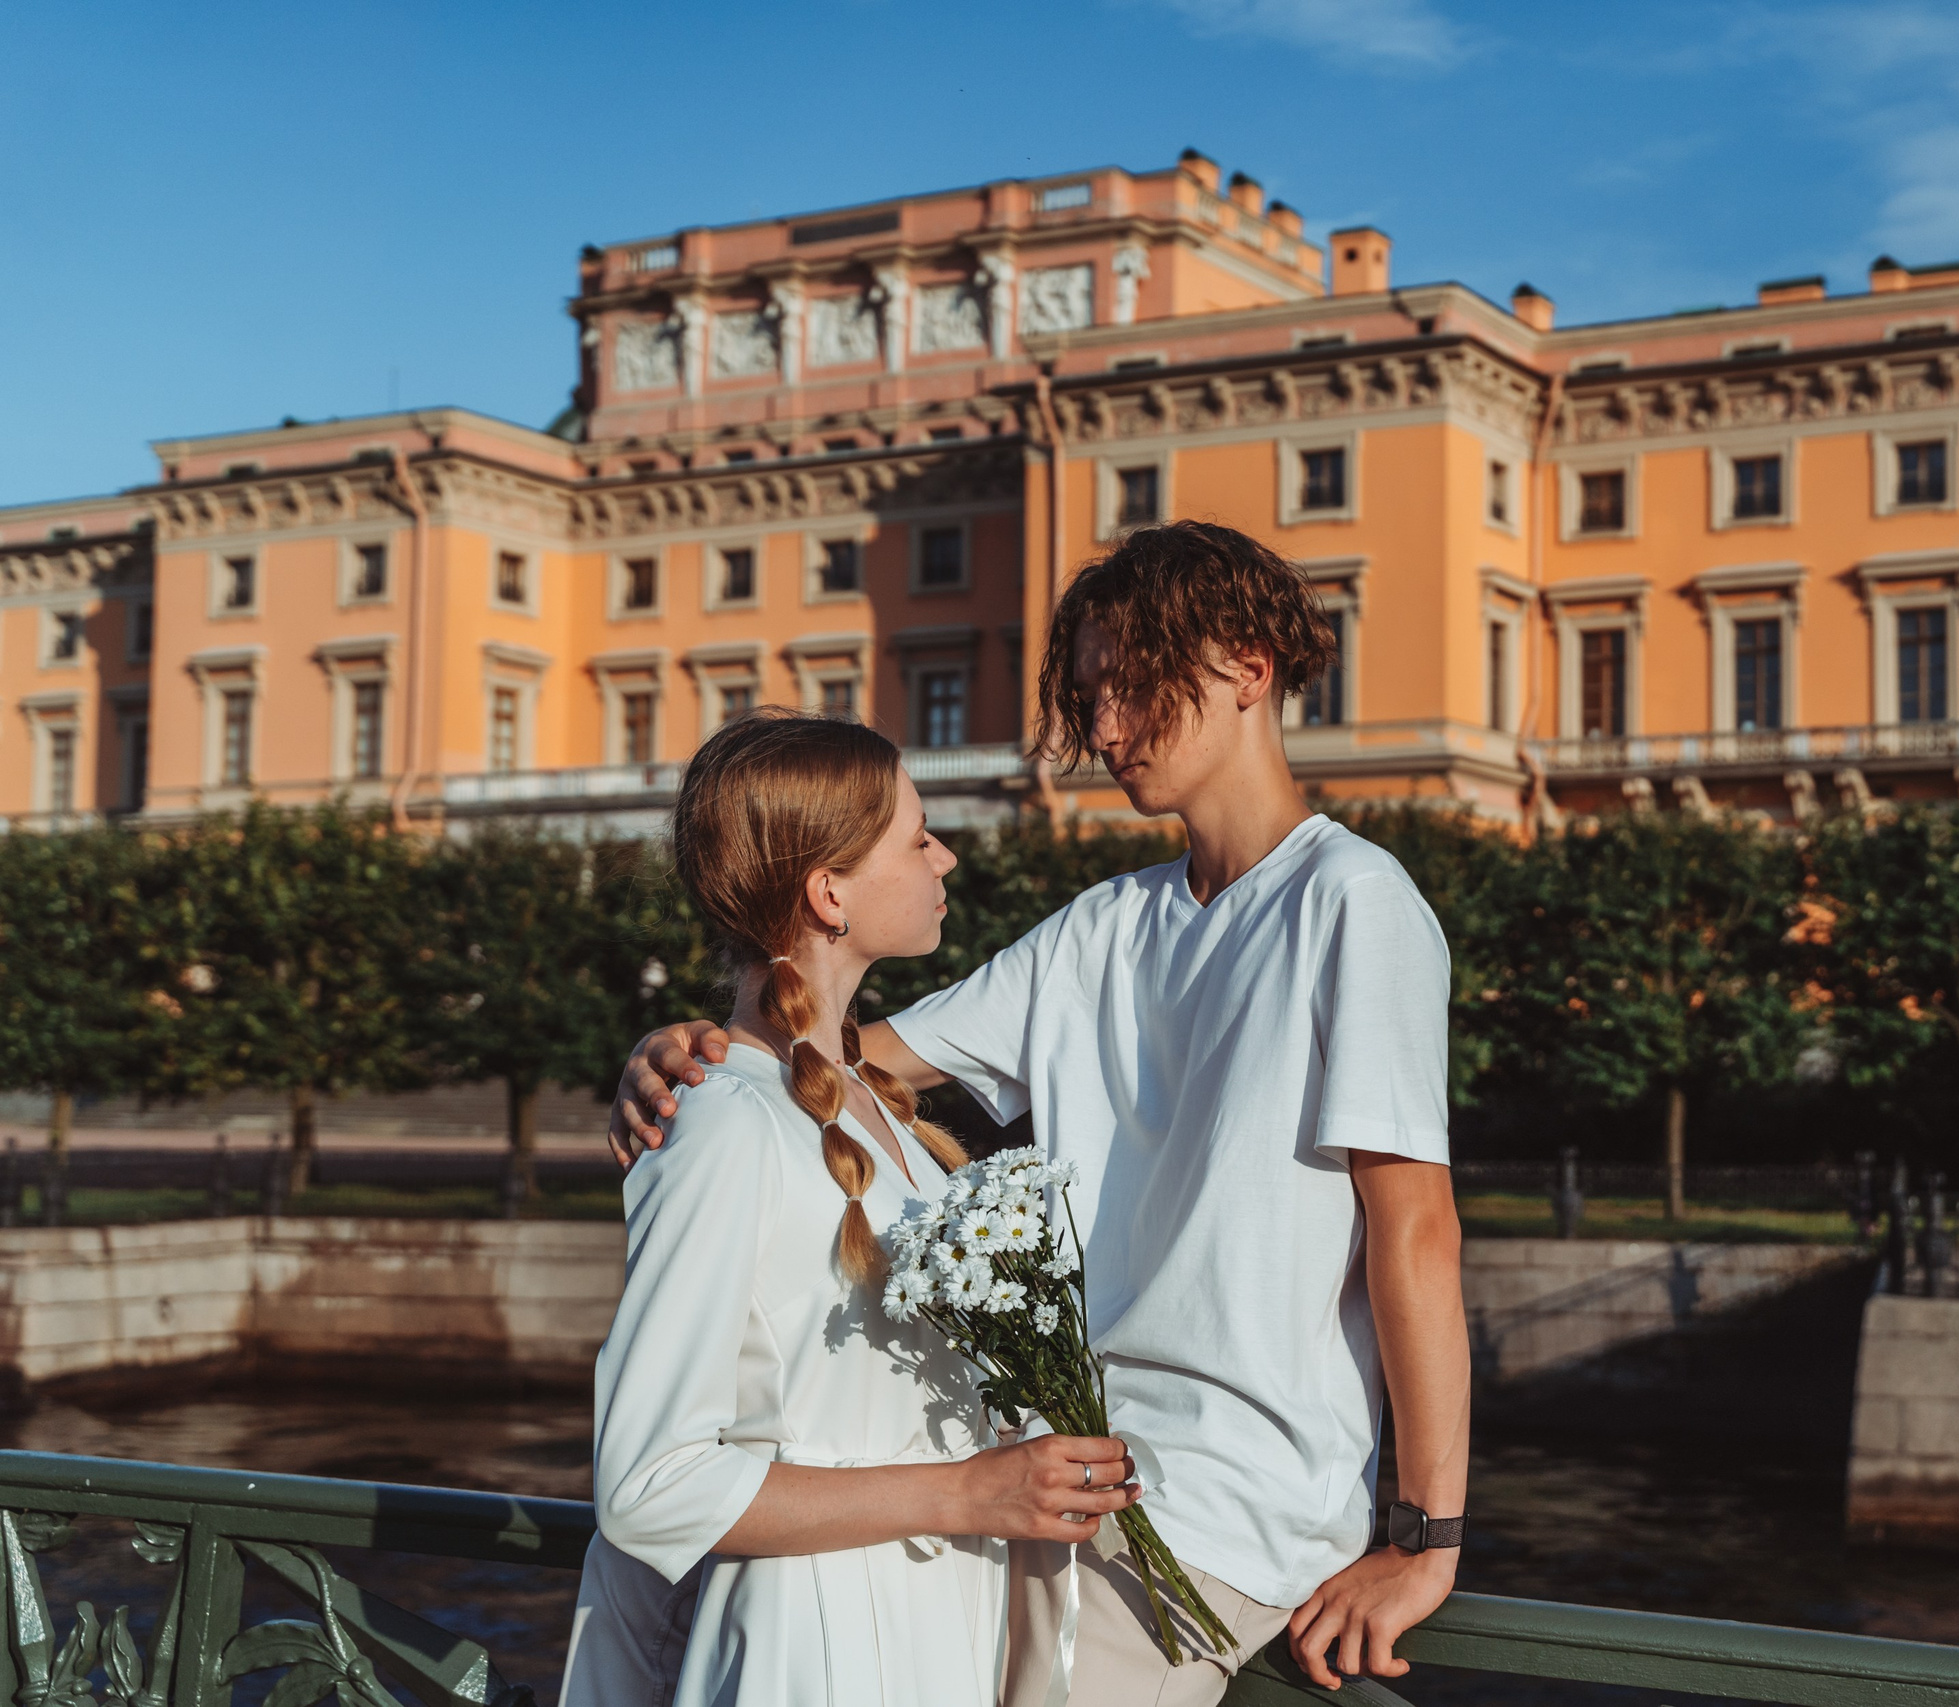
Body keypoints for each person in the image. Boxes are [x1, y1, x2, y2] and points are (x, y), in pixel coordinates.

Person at [609, 521, 1472, 1703]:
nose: (1103, 729)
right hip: (1063, 1481)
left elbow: (1415, 1231)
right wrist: (687, 1047)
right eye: (1089, 695)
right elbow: (833, 1058)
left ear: (1247, 669)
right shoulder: (1101, 927)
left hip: (1215, 1512)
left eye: (1131, 688)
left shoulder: (1353, 902)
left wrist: (1424, 1539)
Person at [562, 711, 1139, 1707]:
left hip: (932, 1633)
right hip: (816, 1653)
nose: (944, 857)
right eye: (918, 838)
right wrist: (970, 1492)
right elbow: (652, 1485)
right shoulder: (724, 1125)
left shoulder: (870, 1106)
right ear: (829, 891)